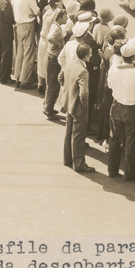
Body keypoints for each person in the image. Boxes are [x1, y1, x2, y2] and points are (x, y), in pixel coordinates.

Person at [107, 39, 135, 181]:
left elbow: (110, 86)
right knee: (130, 142)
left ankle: (112, 169)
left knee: (114, 139)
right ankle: (130, 173)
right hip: (131, 110)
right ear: (134, 57)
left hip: (116, 106)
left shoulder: (113, 70)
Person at [59, 43, 95, 173]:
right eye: (90, 54)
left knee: (69, 132)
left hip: (68, 103)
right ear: (86, 56)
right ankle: (79, 163)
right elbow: (84, 93)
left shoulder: (71, 63)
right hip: (78, 107)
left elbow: (60, 77)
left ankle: (67, 159)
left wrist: (67, 92)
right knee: (79, 136)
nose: (91, 56)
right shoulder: (83, 71)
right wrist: (84, 106)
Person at [12, 0, 40, 89]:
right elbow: (37, 11)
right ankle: (25, 80)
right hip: (28, 25)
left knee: (20, 51)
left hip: (19, 25)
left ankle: (17, 77)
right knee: (29, 53)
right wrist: (33, 14)